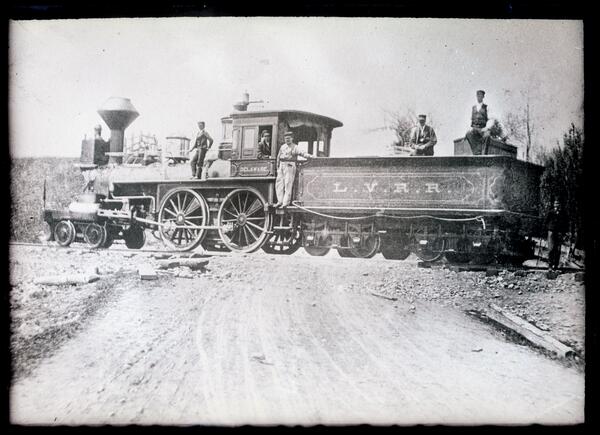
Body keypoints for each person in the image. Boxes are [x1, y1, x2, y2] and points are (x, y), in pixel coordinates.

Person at [274, 131, 311, 208]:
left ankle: (285, 203)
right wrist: (277, 167)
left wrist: (309, 156)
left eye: (289, 138)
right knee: (279, 184)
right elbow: (278, 157)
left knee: (288, 184)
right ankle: (279, 201)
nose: (287, 140)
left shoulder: (295, 147)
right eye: (286, 138)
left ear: (292, 139)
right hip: (281, 166)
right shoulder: (282, 147)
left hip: (290, 166)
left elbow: (302, 153)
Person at [465, 90, 491, 154]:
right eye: (478, 95)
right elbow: (469, 119)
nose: (479, 97)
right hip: (474, 128)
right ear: (476, 96)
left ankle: (483, 154)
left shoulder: (486, 107)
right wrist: (469, 127)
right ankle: (476, 152)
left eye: (481, 95)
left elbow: (490, 119)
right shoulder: (472, 107)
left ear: (483, 97)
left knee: (487, 135)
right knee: (468, 134)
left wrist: (486, 128)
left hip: (483, 128)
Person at [545, 200, 563, 270]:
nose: (557, 205)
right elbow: (546, 221)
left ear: (560, 205)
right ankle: (550, 265)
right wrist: (548, 229)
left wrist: (564, 232)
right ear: (554, 204)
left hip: (559, 232)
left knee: (558, 249)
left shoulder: (562, 213)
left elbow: (565, 223)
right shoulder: (550, 212)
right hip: (551, 232)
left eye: (558, 203)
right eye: (556, 203)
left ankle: (556, 265)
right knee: (551, 248)